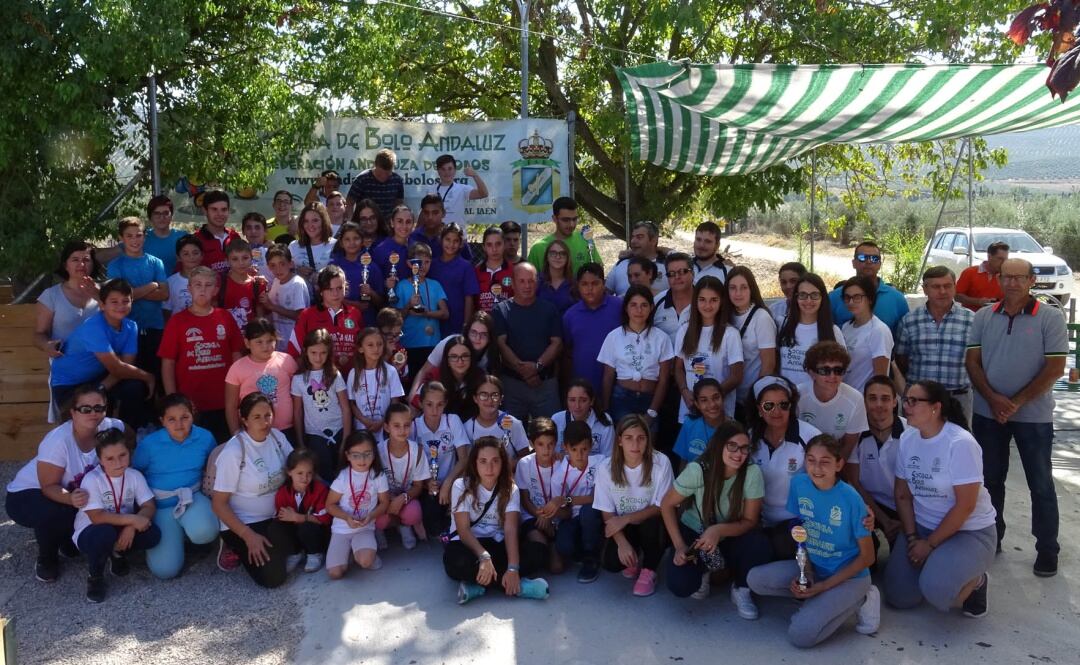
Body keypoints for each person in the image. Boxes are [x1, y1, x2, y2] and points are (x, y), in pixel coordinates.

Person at [966, 257, 1067, 577]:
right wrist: (995, 400)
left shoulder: (1050, 317)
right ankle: (993, 537)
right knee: (990, 480)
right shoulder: (983, 316)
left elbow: (1055, 369)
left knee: (1040, 483)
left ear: (1031, 280)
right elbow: (972, 363)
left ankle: (1047, 549)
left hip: (1034, 417)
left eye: (1019, 278)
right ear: (998, 279)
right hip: (987, 413)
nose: (1011, 283)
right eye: (1006, 277)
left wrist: (1015, 402)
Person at [747, 434, 878, 647]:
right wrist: (805, 572)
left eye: (825, 461)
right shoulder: (799, 484)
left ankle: (862, 598)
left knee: (800, 635)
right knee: (755, 579)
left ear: (839, 464)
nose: (816, 468)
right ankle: (817, 599)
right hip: (816, 566)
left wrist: (823, 586)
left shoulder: (851, 499)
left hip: (849, 577)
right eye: (810, 460)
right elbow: (802, 532)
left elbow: (868, 557)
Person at [884, 381, 998, 617]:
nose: (907, 406)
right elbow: (902, 495)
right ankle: (940, 565)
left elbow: (965, 506)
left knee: (937, 592)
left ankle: (977, 581)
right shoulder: (908, 438)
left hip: (969, 532)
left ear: (936, 408)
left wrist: (930, 544)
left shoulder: (960, 443)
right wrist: (913, 536)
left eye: (914, 401)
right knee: (898, 597)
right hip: (923, 528)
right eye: (906, 400)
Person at [4, 385, 127, 583]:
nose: (93, 413)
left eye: (99, 408)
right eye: (85, 409)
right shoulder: (58, 441)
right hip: (28, 494)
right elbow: (48, 486)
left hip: (71, 492)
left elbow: (127, 443)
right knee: (56, 512)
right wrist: (70, 498)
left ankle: (67, 540)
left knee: (90, 505)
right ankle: (47, 557)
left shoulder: (113, 427)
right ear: (73, 412)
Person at [662, 422, 772, 612]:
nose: (739, 454)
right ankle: (704, 571)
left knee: (760, 545)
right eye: (732, 446)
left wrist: (718, 530)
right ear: (719, 445)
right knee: (680, 585)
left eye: (745, 448)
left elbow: (750, 521)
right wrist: (680, 546)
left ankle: (741, 588)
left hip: (730, 533)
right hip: (696, 531)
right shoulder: (699, 469)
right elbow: (667, 504)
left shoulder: (752, 472)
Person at [443, 436, 550, 604]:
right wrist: (484, 557)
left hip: (498, 543)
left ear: (502, 463)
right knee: (456, 564)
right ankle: (519, 587)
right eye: (483, 461)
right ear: (474, 463)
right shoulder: (461, 485)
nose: (489, 467)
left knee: (539, 553)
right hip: (471, 545)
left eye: (495, 461)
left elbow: (510, 529)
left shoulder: (510, 488)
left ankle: (478, 586)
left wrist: (513, 567)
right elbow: (463, 530)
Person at [211, 393, 295, 588]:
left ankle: (279, 545)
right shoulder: (234, 452)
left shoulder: (277, 437)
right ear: (244, 419)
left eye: (268, 415)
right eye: (256, 417)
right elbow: (218, 504)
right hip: (246, 522)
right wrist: (248, 535)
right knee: (273, 579)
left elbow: (298, 466)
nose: (264, 422)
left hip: (278, 515)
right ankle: (234, 544)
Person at [132, 394, 219, 580]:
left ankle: (189, 532)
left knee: (205, 531)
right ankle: (174, 537)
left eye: (185, 417)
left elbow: (212, 465)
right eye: (171, 419)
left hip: (192, 497)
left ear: (193, 416)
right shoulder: (149, 444)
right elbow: (135, 473)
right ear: (162, 421)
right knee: (165, 571)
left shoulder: (205, 437)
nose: (179, 424)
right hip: (160, 505)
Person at [49, 279, 153, 428]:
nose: (120, 306)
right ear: (102, 305)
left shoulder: (131, 326)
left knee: (134, 387)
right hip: (70, 385)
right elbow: (118, 368)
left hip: (98, 379)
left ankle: (128, 434)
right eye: (114, 302)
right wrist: (148, 377)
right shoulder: (93, 327)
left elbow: (126, 366)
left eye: (125, 301)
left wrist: (100, 388)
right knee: (83, 427)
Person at [74, 428, 161, 603]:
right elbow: (97, 517)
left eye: (122, 455)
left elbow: (149, 505)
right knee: (105, 533)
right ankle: (95, 576)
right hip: (92, 531)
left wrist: (131, 527)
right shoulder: (92, 479)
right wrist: (133, 519)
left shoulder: (134, 475)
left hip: (121, 525)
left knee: (153, 534)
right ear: (100, 460)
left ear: (129, 452)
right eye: (110, 459)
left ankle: (117, 553)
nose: (118, 462)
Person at [159, 266, 244, 443]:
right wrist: (172, 400)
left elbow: (237, 355)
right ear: (189, 288)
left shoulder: (225, 318)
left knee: (224, 451)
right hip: (190, 405)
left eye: (208, 285)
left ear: (215, 290)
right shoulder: (177, 321)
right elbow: (168, 363)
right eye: (198, 285)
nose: (202, 289)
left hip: (224, 401)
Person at [593, 414, 674, 596]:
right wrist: (621, 542)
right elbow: (607, 511)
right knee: (611, 562)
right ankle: (634, 556)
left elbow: (663, 506)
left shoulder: (661, 463)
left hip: (651, 521)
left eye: (641, 438)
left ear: (648, 439)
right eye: (629, 438)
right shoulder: (605, 468)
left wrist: (627, 518)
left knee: (654, 523)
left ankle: (649, 569)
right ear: (620, 440)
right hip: (624, 524)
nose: (635, 445)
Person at [745, 376, 821, 559]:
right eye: (768, 405)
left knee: (777, 548)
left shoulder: (810, 436)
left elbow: (827, 483)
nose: (776, 411)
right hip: (759, 520)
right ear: (759, 409)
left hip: (799, 521)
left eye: (783, 405)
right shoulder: (749, 438)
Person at [895, 266, 974, 424]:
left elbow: (978, 360)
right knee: (915, 443)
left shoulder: (972, 320)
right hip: (919, 401)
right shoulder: (910, 321)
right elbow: (901, 359)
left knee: (957, 445)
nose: (942, 291)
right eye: (936, 287)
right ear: (925, 289)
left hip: (958, 399)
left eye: (947, 286)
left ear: (955, 287)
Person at [35, 241, 101, 422]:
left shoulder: (104, 293)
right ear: (65, 264)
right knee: (71, 423)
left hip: (101, 366)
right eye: (75, 260)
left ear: (93, 264)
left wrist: (99, 297)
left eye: (86, 259)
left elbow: (118, 321)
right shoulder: (51, 295)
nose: (81, 264)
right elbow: (39, 334)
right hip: (67, 370)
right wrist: (46, 346)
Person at [598, 285, 674, 431]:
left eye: (644, 305)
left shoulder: (661, 338)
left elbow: (664, 379)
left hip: (650, 400)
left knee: (649, 445)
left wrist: (652, 411)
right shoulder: (613, 337)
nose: (639, 310)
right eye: (633, 305)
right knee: (624, 445)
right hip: (622, 399)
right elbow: (608, 377)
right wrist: (606, 409)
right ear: (626, 308)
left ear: (651, 308)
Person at [493, 262, 563, 421]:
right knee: (510, 438)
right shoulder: (501, 311)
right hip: (512, 386)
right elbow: (501, 344)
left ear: (537, 282)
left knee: (552, 432)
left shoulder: (549, 309)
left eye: (531, 280)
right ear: (513, 283)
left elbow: (557, 343)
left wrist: (537, 367)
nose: (527, 286)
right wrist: (524, 371)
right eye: (522, 281)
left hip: (545, 385)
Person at [107, 217, 169, 392]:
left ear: (144, 237)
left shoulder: (156, 262)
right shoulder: (115, 265)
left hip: (155, 327)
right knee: (132, 380)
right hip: (126, 329)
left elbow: (164, 294)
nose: (135, 240)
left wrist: (134, 293)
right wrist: (152, 285)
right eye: (129, 236)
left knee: (157, 375)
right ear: (121, 238)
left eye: (138, 235)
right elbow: (121, 298)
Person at [844, 375, 906, 545]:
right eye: (872, 398)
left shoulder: (911, 433)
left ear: (895, 402)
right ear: (864, 402)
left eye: (885, 399)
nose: (878, 405)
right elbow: (855, 482)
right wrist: (884, 521)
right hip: (868, 504)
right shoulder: (855, 435)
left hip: (906, 506)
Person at [673, 275, 744, 421]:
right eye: (702, 300)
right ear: (695, 301)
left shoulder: (730, 334)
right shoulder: (684, 330)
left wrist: (709, 400)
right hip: (690, 409)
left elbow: (736, 376)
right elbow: (678, 368)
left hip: (718, 412)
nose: (707, 305)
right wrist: (685, 392)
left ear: (721, 301)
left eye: (714, 300)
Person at [325, 431, 390, 579]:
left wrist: (371, 516)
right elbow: (330, 505)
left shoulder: (378, 476)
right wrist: (347, 517)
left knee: (366, 562)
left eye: (367, 454)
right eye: (356, 455)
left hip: (364, 527)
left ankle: (362, 552)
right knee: (335, 573)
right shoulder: (343, 477)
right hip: (341, 529)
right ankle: (349, 552)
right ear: (347, 455)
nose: (362, 459)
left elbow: (385, 502)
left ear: (374, 454)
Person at [292, 329, 351, 483]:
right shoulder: (298, 379)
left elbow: (345, 407)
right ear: (305, 351)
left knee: (342, 471)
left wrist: (346, 437)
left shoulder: (334, 374)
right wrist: (300, 441)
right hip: (315, 433)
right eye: (314, 352)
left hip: (339, 429)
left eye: (323, 353)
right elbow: (298, 412)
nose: (318, 357)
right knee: (323, 474)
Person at [414, 381, 471, 538]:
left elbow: (464, 459)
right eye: (429, 404)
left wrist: (448, 483)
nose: (434, 410)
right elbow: (412, 463)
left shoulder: (452, 420)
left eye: (439, 404)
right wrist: (426, 482)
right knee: (432, 526)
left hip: (452, 481)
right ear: (420, 403)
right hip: (427, 485)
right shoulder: (414, 426)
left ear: (445, 404)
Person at [224, 318, 298, 438]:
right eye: (259, 342)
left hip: (288, 430)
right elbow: (231, 406)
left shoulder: (287, 361)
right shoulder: (237, 368)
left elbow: (298, 397)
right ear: (247, 343)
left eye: (270, 341)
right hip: (253, 433)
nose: (265, 346)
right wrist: (236, 434)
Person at [551, 421, 606, 583]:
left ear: (591, 445)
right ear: (565, 447)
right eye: (574, 450)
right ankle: (583, 550)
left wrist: (568, 499)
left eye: (584, 449)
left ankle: (591, 556)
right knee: (564, 546)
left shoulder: (601, 463)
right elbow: (561, 508)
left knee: (587, 511)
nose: (580, 455)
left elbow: (597, 497)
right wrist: (554, 508)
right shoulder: (559, 476)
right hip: (571, 517)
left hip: (594, 513)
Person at [796, 341, 868, 458]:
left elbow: (848, 446)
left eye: (838, 370)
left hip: (835, 458)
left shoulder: (855, 399)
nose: (832, 376)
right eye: (825, 370)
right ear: (811, 373)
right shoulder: (798, 396)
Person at [287, 265, 364, 374]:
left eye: (339, 288)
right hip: (319, 385)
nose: (335, 294)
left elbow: (363, 348)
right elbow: (294, 353)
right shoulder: (307, 315)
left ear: (345, 287)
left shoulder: (355, 313)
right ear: (321, 291)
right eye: (330, 289)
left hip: (351, 381)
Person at [375, 403, 431, 549]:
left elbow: (418, 486)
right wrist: (390, 500)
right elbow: (372, 485)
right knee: (378, 518)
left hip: (406, 497)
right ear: (387, 428)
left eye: (406, 425)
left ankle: (404, 527)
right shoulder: (378, 451)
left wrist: (402, 498)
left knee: (413, 512)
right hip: (383, 498)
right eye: (397, 426)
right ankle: (378, 531)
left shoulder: (417, 451)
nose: (402, 430)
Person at [723, 266, 777, 412]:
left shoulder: (761, 318)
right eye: (733, 288)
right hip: (729, 395)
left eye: (743, 287)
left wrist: (756, 397)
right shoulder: (726, 315)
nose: (738, 293)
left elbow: (768, 364)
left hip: (750, 398)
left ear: (751, 289)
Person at [561, 263, 622, 395]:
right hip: (583, 388)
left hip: (618, 386)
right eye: (584, 284)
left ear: (604, 283)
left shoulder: (619, 307)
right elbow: (566, 352)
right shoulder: (570, 315)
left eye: (595, 283)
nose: (590, 289)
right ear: (578, 286)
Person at [514, 418, 563, 573]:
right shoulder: (524, 464)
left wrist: (549, 517)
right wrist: (539, 515)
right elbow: (524, 498)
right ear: (532, 444)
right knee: (539, 550)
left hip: (557, 516)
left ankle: (554, 542)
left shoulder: (562, 463)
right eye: (540, 444)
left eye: (550, 444)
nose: (546, 450)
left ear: (556, 443)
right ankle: (540, 543)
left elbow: (567, 499)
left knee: (557, 569)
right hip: (532, 515)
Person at [828, 240, 910, 334]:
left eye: (874, 258)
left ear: (880, 264)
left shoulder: (897, 299)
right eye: (862, 257)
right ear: (853, 263)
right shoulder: (834, 297)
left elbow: (903, 339)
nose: (869, 261)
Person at [777, 273, 844, 387]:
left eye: (814, 295)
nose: (808, 300)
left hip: (816, 398)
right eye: (803, 295)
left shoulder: (833, 331)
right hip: (786, 398)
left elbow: (841, 370)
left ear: (822, 298)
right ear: (796, 297)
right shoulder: (782, 324)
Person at [395, 242, 450, 378]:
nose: (423, 266)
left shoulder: (435, 285)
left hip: (432, 343)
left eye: (427, 262)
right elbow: (396, 319)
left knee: (430, 382)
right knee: (410, 380)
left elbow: (445, 313)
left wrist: (426, 313)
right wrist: (408, 306)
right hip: (409, 343)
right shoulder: (401, 286)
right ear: (409, 263)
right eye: (418, 262)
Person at [273, 448, 331, 574]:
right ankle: (295, 552)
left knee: (307, 525)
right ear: (289, 472)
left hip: (317, 534)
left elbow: (325, 519)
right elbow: (281, 517)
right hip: (296, 532)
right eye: (299, 473)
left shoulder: (320, 490)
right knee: (275, 527)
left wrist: (299, 517)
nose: (305, 478)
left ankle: (314, 553)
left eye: (309, 473)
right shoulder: (282, 493)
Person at [409, 334, 484, 421]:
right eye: (454, 357)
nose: (460, 361)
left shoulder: (480, 377)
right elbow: (415, 407)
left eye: (465, 356)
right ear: (447, 360)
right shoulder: (434, 376)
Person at [347, 328, 405, 440]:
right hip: (362, 428)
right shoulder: (354, 373)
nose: (376, 348)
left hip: (385, 428)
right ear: (360, 348)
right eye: (370, 345)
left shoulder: (391, 371)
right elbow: (352, 403)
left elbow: (394, 402)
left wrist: (383, 421)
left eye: (379, 344)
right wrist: (365, 421)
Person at [840, 275, 894, 391]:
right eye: (847, 297)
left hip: (865, 400)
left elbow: (881, 377)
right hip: (845, 396)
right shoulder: (846, 327)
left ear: (870, 299)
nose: (851, 302)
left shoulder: (879, 331)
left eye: (857, 297)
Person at [464, 374, 530, 463]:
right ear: (475, 398)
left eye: (495, 395)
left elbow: (525, 457)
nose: (490, 400)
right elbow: (467, 462)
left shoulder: (513, 423)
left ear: (501, 399)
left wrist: (507, 467)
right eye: (484, 395)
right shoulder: (467, 427)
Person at [428, 223, 479, 337]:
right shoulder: (432, 265)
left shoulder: (466, 267)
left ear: (461, 244)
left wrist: (466, 325)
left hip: (457, 323)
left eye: (456, 241)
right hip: (434, 323)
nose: (451, 244)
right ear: (441, 240)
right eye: (448, 239)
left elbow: (469, 298)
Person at [526, 196, 602, 272]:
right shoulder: (538, 248)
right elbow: (530, 279)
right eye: (566, 220)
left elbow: (598, 270)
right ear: (554, 219)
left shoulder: (585, 240)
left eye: (574, 219)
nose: (571, 224)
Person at [331, 222, 384, 326]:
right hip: (340, 323)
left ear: (363, 242)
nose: (352, 243)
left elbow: (381, 303)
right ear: (341, 243)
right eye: (347, 239)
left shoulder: (372, 267)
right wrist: (352, 305)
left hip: (366, 323)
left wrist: (371, 293)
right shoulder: (333, 266)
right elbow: (326, 298)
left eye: (356, 238)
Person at [262, 245, 311, 352]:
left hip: (295, 345)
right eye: (273, 265)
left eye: (282, 264)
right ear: (268, 267)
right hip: (279, 345)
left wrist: (272, 307)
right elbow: (270, 312)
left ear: (291, 263)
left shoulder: (297, 283)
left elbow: (300, 316)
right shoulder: (276, 281)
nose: (278, 269)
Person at [551, 379, 614, 457]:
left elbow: (608, 458)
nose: (577, 406)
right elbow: (551, 453)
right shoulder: (557, 419)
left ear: (591, 401)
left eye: (583, 400)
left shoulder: (604, 420)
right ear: (566, 400)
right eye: (572, 400)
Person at [671, 379, 727, 465]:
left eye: (716, 398)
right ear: (697, 404)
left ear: (723, 398)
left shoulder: (734, 429)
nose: (712, 404)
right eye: (704, 400)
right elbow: (684, 462)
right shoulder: (689, 424)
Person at [606, 221, 668, 296]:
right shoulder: (621, 264)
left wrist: (665, 250)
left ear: (653, 240)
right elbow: (604, 296)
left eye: (639, 237)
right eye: (633, 237)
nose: (633, 241)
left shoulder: (668, 266)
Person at [220, 238, 269, 331]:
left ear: (251, 257)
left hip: (250, 339)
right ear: (227, 261)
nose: (241, 263)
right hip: (226, 338)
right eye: (235, 259)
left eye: (245, 258)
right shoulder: (220, 283)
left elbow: (260, 318)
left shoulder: (258, 285)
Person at [345, 149, 405, 222]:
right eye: (380, 173)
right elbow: (349, 203)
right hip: (365, 224)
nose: (383, 177)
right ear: (375, 165)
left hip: (387, 226)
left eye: (387, 174)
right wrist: (350, 222)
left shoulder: (397, 181)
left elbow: (398, 205)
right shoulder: (362, 179)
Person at [410, 195, 474, 263]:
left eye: (435, 213)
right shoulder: (414, 237)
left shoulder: (455, 238)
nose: (430, 217)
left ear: (443, 213)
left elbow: (469, 266)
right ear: (422, 214)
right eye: (426, 213)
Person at [288, 203, 337, 291]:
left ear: (324, 221)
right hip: (300, 299)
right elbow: (284, 272)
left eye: (315, 220)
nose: (310, 225)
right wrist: (297, 271)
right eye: (306, 221)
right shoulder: (293, 246)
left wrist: (323, 276)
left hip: (326, 299)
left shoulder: (335, 245)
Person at [429, 153, 489, 224]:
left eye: (450, 169)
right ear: (438, 171)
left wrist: (475, 175)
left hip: (457, 233)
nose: (447, 172)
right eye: (443, 169)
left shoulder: (462, 189)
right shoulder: (431, 190)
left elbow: (484, 194)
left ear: (455, 170)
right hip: (437, 233)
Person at [195, 190, 242, 278]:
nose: (219, 214)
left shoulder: (235, 237)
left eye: (224, 210)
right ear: (205, 211)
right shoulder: (195, 240)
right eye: (214, 209)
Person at [652, 252, 695, 341]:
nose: (677, 277)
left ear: (693, 273)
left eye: (682, 272)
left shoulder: (704, 301)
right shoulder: (656, 302)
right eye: (671, 274)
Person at [956, 241, 1008, 311]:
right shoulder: (970, 272)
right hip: (972, 316)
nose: (1004, 262)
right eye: (1000, 259)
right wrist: (978, 302)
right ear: (989, 256)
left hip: (997, 316)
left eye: (1006, 259)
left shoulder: (1007, 276)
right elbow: (957, 296)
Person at [141, 195, 187, 274]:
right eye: (157, 213)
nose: (162, 217)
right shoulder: (141, 237)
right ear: (150, 217)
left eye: (166, 213)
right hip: (150, 285)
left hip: (179, 285)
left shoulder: (183, 237)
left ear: (171, 215)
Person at [162, 234, 203, 320]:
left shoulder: (210, 279)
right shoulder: (170, 282)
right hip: (179, 330)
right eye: (186, 254)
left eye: (195, 253)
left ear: (202, 255)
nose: (191, 257)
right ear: (178, 258)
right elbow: (166, 312)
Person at [476, 226, 515, 313]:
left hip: (507, 322)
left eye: (498, 244)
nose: (494, 249)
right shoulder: (476, 272)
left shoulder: (514, 271)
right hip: (483, 322)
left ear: (504, 245)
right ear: (484, 247)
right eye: (489, 245)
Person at [371, 204, 413, 281]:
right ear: (392, 223)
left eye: (408, 222)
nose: (404, 226)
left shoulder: (416, 247)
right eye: (400, 221)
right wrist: (386, 285)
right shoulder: (380, 250)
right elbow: (374, 281)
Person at [537, 238, 577, 315]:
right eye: (553, 253)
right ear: (547, 257)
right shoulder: (537, 281)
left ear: (567, 258)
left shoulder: (574, 284)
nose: (558, 257)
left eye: (562, 253)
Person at [769, 261, 807, 328]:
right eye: (783, 282)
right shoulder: (774, 310)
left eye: (793, 281)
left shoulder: (814, 308)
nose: (788, 286)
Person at [241, 212, 274, 282]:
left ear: (265, 231)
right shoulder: (238, 254)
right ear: (243, 231)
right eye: (249, 228)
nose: (253, 231)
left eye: (257, 227)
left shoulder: (275, 252)